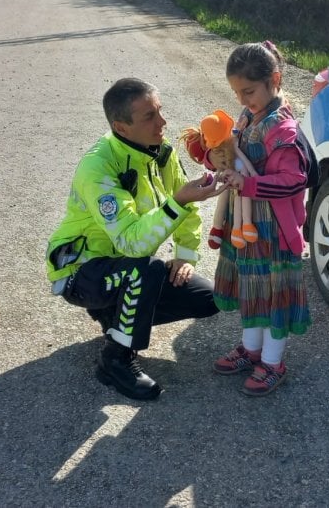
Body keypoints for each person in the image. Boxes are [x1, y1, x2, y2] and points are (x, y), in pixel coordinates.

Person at [46, 78, 225, 401]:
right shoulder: (98, 167)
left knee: (210, 299)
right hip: (81, 272)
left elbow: (188, 201)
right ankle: (115, 359)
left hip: (126, 266)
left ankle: (115, 317)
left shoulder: (161, 152)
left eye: (160, 111)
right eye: (149, 117)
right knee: (145, 270)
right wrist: (178, 203)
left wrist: (185, 255)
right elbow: (133, 244)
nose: (162, 122)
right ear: (122, 127)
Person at [210, 41, 312, 396]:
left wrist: (248, 183)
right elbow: (234, 150)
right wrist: (217, 158)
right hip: (249, 228)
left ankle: (273, 362)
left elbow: (294, 180)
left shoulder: (281, 128)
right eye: (237, 92)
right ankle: (251, 350)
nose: (242, 100)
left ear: (275, 80)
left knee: (274, 299)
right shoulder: (248, 116)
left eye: (249, 91)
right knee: (254, 290)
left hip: (275, 230)